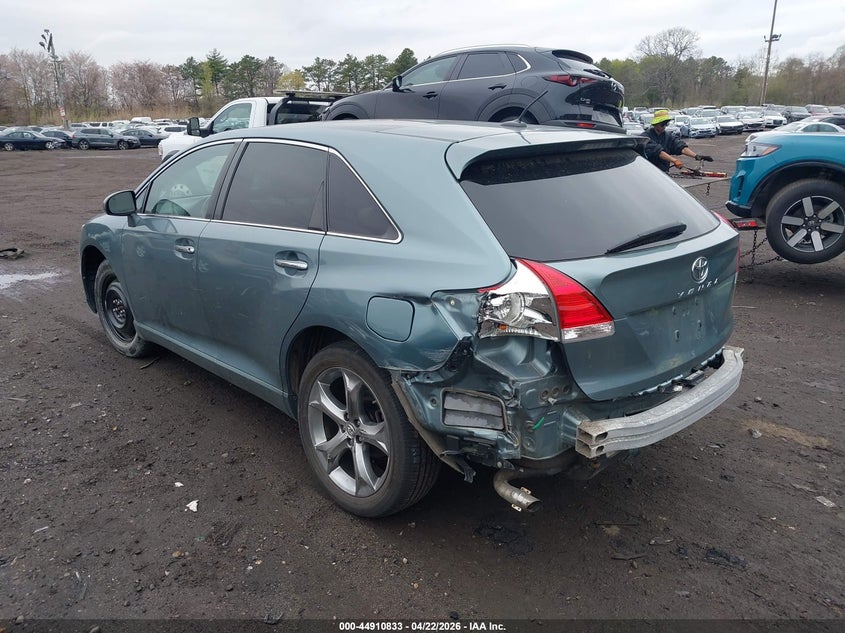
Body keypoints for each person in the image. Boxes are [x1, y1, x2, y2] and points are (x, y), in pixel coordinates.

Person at [643, 109, 713, 172]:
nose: (664, 126)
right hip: (649, 172)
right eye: (662, 124)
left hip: (664, 172)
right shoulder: (645, 138)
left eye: (666, 124)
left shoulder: (668, 136)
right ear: (655, 124)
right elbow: (658, 152)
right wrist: (674, 161)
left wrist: (696, 156)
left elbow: (680, 146)